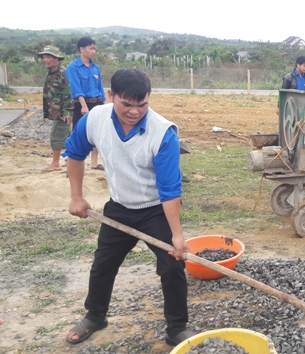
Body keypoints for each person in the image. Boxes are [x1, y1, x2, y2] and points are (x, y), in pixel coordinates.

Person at [63, 69, 192, 346]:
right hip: (119, 207)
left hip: (155, 209)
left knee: (172, 266)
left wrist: (177, 235)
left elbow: (170, 190)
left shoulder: (163, 133)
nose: (135, 112)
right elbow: (74, 152)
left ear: (149, 99)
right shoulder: (95, 119)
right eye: (127, 104)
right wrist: (76, 196)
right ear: (111, 96)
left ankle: (177, 328)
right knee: (103, 264)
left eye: (142, 105)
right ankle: (95, 316)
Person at [66, 37, 106, 170]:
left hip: (97, 103)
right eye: (91, 48)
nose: (93, 51)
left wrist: (105, 104)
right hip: (82, 104)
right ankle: (73, 165)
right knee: (78, 134)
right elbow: (76, 88)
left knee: (98, 133)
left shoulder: (96, 68)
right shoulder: (73, 67)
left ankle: (94, 162)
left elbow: (100, 87)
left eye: (94, 48)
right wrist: (83, 105)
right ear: (81, 49)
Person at [38, 45, 73, 172]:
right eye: (44, 57)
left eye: (48, 57)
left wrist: (68, 111)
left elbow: (68, 92)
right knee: (67, 136)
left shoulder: (62, 73)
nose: (45, 59)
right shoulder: (52, 72)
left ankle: (55, 163)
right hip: (56, 110)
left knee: (56, 136)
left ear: (56, 58)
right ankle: (70, 159)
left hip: (62, 111)